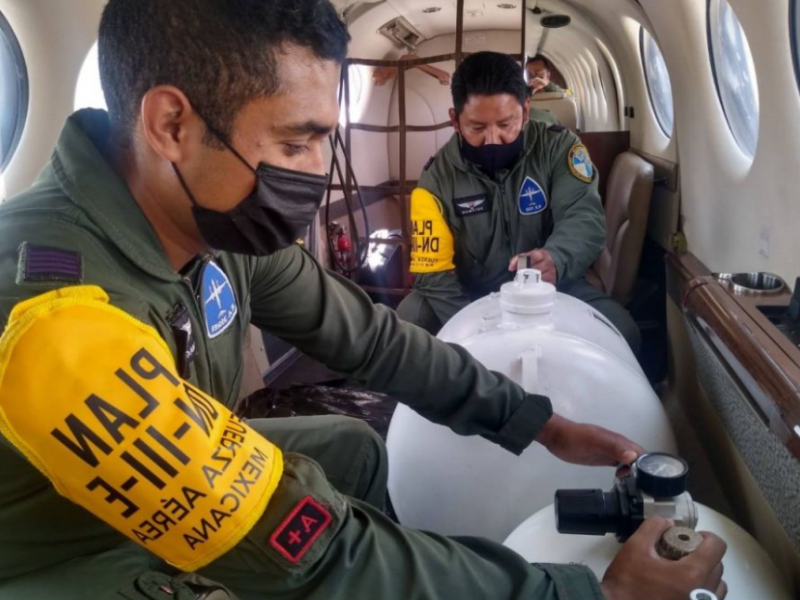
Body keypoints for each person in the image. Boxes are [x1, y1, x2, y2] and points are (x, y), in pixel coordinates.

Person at [0, 2, 724, 599]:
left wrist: (538, 423)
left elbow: (372, 341)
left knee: (346, 447)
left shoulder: (209, 231)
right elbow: (307, 549)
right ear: (171, 126)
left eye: (325, 139)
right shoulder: (57, 320)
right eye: (295, 143)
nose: (318, 172)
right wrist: (590, 593)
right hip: (64, 555)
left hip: (158, 497)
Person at [396, 52, 641, 352]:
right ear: (455, 121)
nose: (493, 139)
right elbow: (430, 272)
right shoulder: (435, 180)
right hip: (473, 296)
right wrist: (475, 329)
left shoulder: (559, 148)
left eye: (505, 124)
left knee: (623, 332)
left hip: (553, 289)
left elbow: (583, 218)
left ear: (525, 111)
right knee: (409, 318)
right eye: (477, 128)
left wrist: (557, 259)